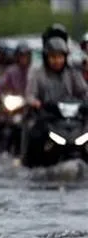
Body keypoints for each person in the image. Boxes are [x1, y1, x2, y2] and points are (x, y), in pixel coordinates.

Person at [23, 37, 88, 165]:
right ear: (47, 57)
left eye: (60, 57)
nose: (57, 61)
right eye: (53, 57)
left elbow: (84, 91)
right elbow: (30, 95)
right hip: (47, 116)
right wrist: (36, 103)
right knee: (34, 133)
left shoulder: (72, 73)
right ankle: (30, 163)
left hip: (73, 117)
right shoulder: (38, 74)